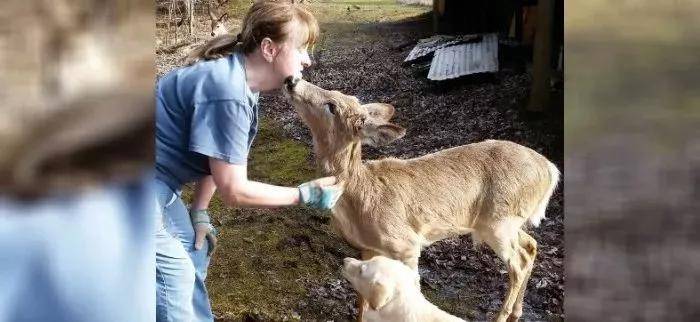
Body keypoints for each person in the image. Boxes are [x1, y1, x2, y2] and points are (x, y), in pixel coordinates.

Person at [154, 1, 341, 321]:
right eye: (301, 49)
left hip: (157, 183)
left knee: (195, 251)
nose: (307, 61)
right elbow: (234, 190)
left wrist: (199, 211)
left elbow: (215, 155)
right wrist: (304, 194)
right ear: (269, 49)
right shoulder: (228, 91)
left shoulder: (239, 80)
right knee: (174, 277)